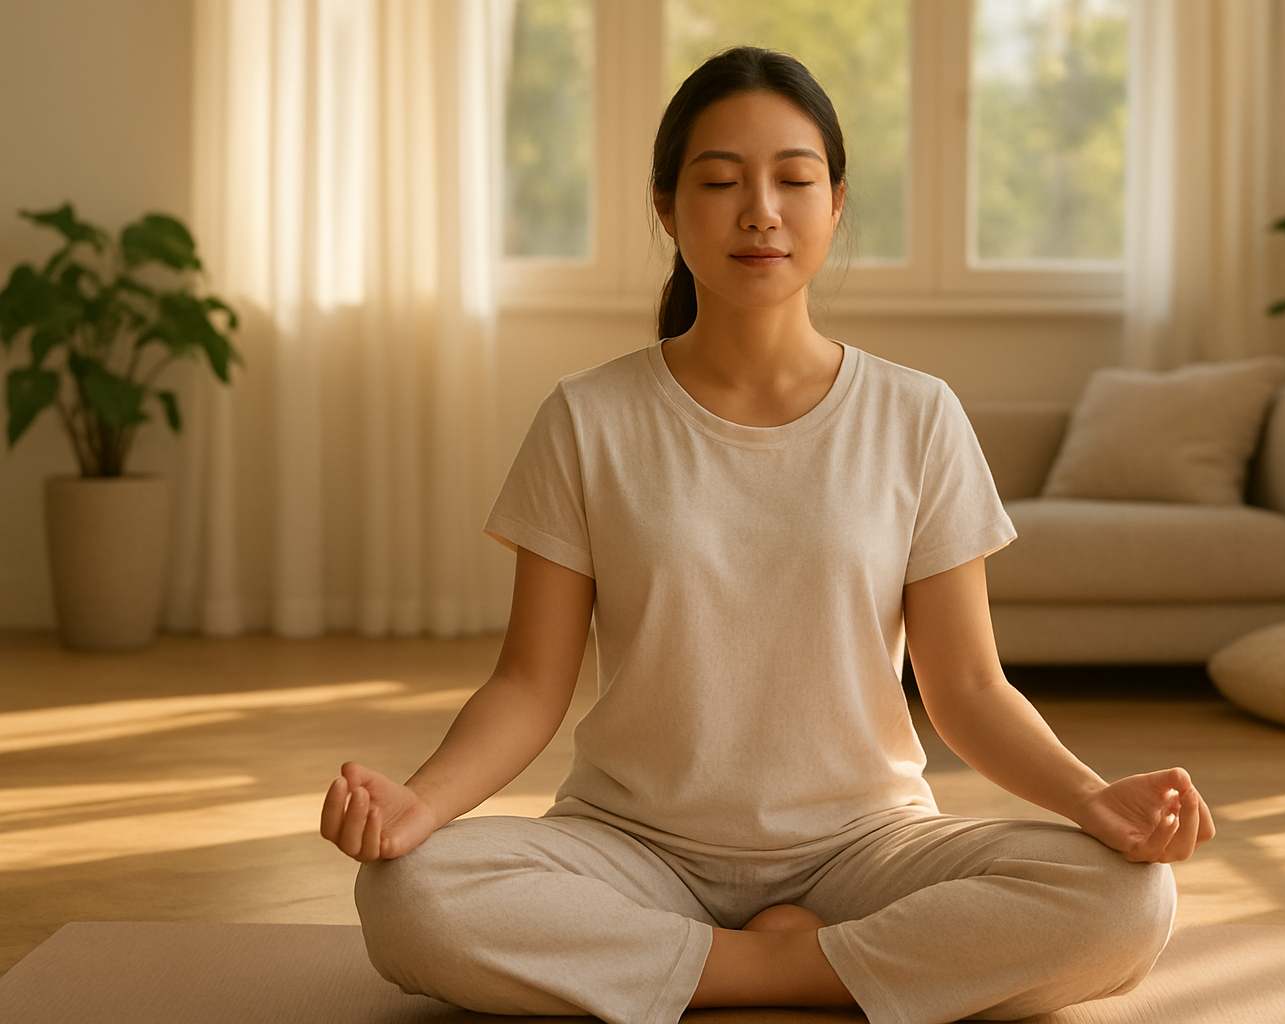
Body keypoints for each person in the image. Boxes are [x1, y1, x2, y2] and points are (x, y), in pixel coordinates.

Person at [320, 46, 1214, 1024]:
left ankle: (696, 973)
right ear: (666, 207)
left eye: (794, 179)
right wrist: (422, 805)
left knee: (1131, 897)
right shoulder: (587, 417)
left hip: (868, 844)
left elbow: (965, 689)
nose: (761, 210)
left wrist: (1093, 801)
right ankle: (804, 971)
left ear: (834, 203)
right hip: (631, 843)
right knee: (407, 892)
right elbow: (530, 685)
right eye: (720, 181)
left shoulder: (918, 416)